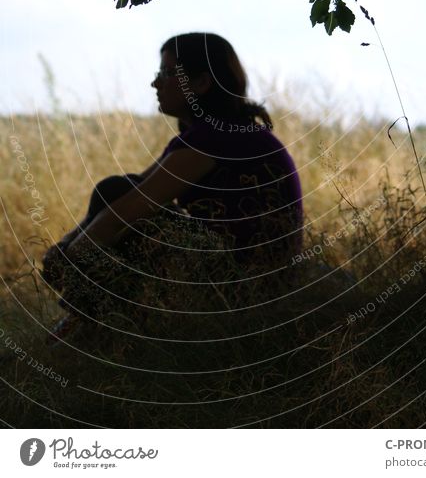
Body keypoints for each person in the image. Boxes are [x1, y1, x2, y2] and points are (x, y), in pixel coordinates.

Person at [42, 32, 304, 340]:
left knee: (120, 210)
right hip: (256, 281)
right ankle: (85, 328)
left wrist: (69, 259)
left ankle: (86, 332)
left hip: (244, 288)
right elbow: (134, 189)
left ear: (202, 84)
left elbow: (124, 213)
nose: (156, 83)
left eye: (167, 73)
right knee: (118, 190)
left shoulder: (212, 140)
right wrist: (68, 249)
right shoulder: (220, 133)